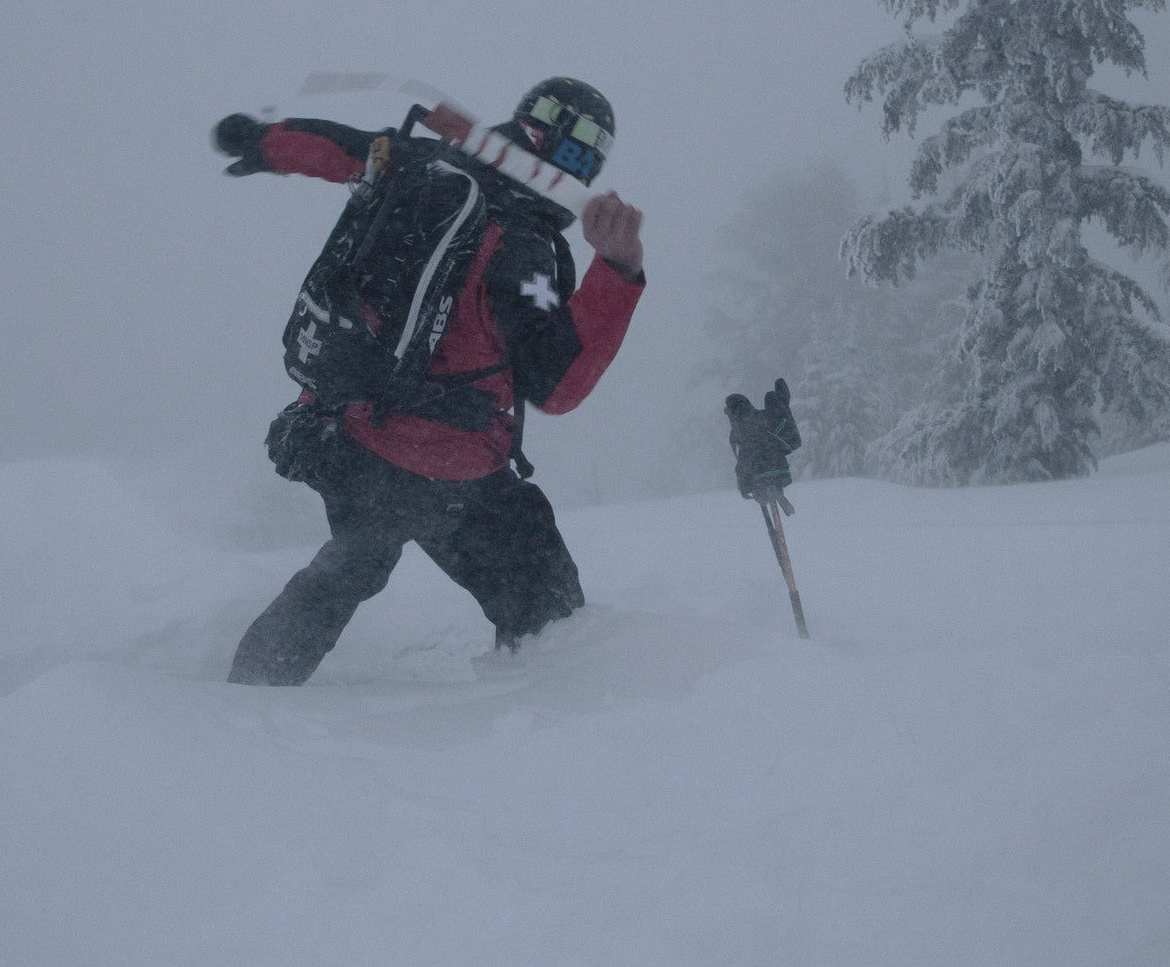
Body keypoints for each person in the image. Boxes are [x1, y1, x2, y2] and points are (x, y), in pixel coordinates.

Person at [213, 78, 645, 686]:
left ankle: (246, 696)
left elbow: (342, 148)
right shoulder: (524, 251)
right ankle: (551, 707)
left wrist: (263, 142)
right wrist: (618, 271)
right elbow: (556, 388)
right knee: (541, 597)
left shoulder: (422, 164)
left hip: (344, 430)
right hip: (446, 465)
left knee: (351, 565)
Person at [725, 379, 802, 514]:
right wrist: (783, 404)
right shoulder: (763, 420)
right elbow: (793, 440)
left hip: (758, 481)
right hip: (778, 474)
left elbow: (742, 461)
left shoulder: (739, 433)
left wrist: (744, 485)